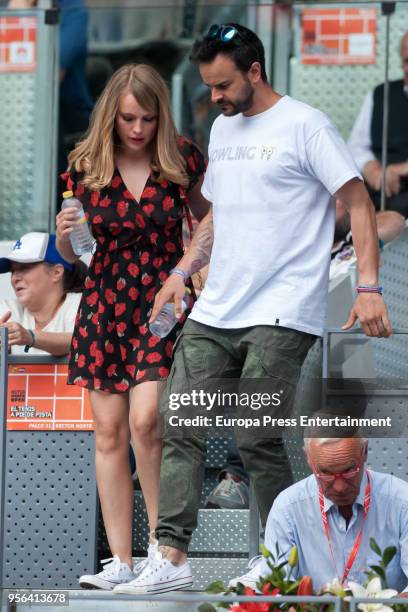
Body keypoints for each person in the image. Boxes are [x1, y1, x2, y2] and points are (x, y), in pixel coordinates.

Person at [112, 23, 392, 595]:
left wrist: (367, 286)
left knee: (254, 436)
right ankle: (171, 557)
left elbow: (358, 202)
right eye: (210, 86)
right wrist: (180, 272)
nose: (212, 96)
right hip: (217, 308)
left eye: (221, 84)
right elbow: (217, 215)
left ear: (255, 71)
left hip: (283, 308)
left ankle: (278, 561)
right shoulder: (221, 128)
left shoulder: (305, 125)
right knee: (181, 420)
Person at [55, 63, 209, 590]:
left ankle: (163, 554)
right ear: (110, 116)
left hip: (161, 301)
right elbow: (72, 253)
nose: (138, 129)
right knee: (109, 432)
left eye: (147, 118)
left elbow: (211, 221)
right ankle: (119, 559)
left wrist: (195, 266)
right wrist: (61, 235)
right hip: (104, 302)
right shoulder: (84, 164)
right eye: (127, 118)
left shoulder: (182, 157)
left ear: (160, 115)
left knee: (147, 420)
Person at [238, 438, 408, 595]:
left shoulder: (401, 500)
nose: (340, 487)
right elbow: (276, 589)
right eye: (326, 473)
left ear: (365, 452)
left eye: (349, 470)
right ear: (308, 458)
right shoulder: (288, 506)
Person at [348, 33, 408, 216]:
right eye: (406, 61)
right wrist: (371, 168)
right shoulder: (381, 94)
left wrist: (398, 170)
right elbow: (356, 147)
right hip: (380, 190)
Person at [0, 232, 84, 356]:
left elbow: (81, 340)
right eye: (13, 270)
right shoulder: (9, 309)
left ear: (56, 272)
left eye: (24, 268)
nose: (14, 278)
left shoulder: (80, 303)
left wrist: (30, 337)